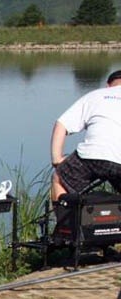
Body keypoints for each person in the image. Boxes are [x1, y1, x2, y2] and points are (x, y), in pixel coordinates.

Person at [51, 69, 121, 202]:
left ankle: (65, 221)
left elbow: (61, 124)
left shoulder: (96, 95)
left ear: (108, 85)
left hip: (92, 156)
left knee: (59, 179)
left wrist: (56, 159)